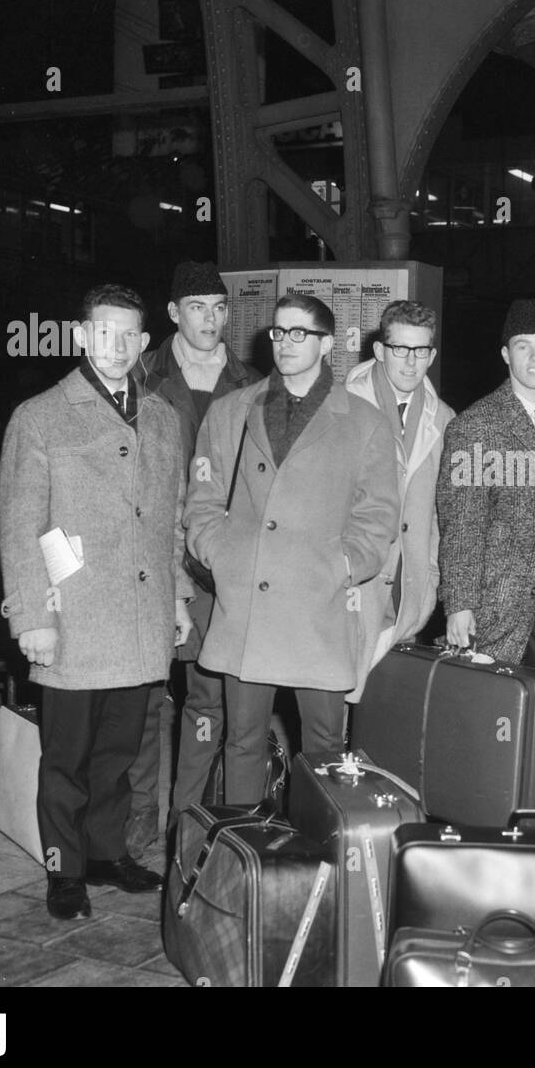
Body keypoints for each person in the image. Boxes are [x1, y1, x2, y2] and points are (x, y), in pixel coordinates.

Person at [0, 283, 193, 921]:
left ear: (143, 343)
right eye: (103, 331)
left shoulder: (163, 417)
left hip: (141, 622)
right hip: (73, 621)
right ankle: (65, 869)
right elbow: (21, 526)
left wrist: (179, 600)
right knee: (66, 761)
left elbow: (171, 523)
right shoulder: (40, 415)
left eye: (129, 335)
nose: (117, 345)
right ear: (82, 335)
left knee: (120, 753)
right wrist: (32, 620)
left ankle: (106, 855)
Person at [184, 292, 400, 803]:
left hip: (318, 607)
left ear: (327, 344)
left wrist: (342, 566)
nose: (285, 343)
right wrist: (224, 556)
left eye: (299, 333)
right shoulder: (231, 411)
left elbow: (378, 517)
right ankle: (242, 864)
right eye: (279, 333)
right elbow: (202, 500)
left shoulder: (364, 422)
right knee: (241, 742)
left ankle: (320, 861)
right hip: (247, 606)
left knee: (324, 747)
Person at [436, 297, 535, 814]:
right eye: (523, 347)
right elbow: (461, 523)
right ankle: (490, 822)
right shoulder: (475, 425)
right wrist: (460, 602)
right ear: (505, 354)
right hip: (495, 600)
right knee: (494, 720)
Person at [126, 261, 260, 849]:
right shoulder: (139, 377)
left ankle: (188, 825)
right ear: (174, 314)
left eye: (220, 307)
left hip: (217, 564)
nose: (211, 319)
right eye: (198, 307)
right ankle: (132, 828)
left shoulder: (253, 382)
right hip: (150, 555)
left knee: (206, 695)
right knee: (143, 694)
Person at [344, 300, 455, 700]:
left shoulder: (444, 422)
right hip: (350, 583)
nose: (410, 362)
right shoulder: (341, 409)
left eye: (421, 350)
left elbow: (445, 520)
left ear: (432, 354)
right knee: (331, 709)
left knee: (383, 710)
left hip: (407, 592)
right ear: (379, 350)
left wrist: (430, 585)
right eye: (400, 349)